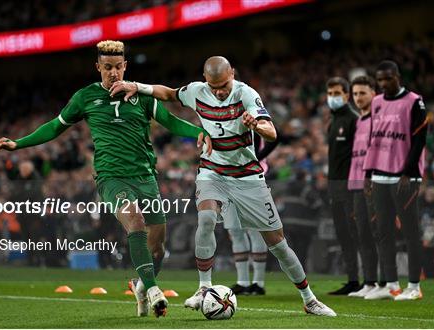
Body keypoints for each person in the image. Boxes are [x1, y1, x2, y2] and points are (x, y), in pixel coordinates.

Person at [0, 40, 213, 317]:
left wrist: (199, 132)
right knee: (135, 221)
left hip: (145, 176)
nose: (113, 73)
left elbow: (170, 122)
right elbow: (54, 127)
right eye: (107, 67)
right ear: (98, 67)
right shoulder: (85, 98)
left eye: (118, 67)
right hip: (111, 178)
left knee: (157, 248)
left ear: (125, 66)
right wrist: (18, 144)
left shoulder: (141, 95)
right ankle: (155, 289)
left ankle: (141, 285)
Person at [110, 56, 336, 317]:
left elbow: (272, 132)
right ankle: (203, 288)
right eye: (214, 86)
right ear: (205, 80)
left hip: (247, 176)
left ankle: (309, 299)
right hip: (212, 171)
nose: (219, 91)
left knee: (277, 243)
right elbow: (169, 93)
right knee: (206, 219)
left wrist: (257, 126)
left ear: (233, 74)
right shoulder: (197, 91)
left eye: (224, 85)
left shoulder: (246, 94)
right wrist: (137, 86)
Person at [363, 60, 429, 301]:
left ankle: (414, 286)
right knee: (383, 232)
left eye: (388, 78)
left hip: (404, 176)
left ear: (398, 77)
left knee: (411, 232)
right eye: (380, 80)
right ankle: (391, 285)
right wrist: (368, 172)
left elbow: (420, 137)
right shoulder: (377, 102)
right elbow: (373, 138)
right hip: (379, 174)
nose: (384, 83)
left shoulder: (414, 101)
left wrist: (408, 171)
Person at [227, 133, 279, 296]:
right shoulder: (224, 119)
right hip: (229, 179)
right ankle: (243, 281)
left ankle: (258, 282)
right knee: (235, 231)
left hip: (252, 179)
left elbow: (275, 137)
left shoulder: (251, 116)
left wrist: (256, 158)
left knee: (255, 231)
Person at [346, 76, 384, 298]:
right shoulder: (358, 122)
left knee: (378, 232)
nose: (358, 98)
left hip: (373, 183)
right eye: (356, 94)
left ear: (373, 93)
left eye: (363, 93)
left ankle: (385, 282)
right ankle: (369, 282)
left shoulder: (378, 119)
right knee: (362, 234)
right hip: (355, 184)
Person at [325, 77, 362, 295]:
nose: (333, 98)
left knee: (358, 233)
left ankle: (372, 280)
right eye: (330, 93)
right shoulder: (333, 122)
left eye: (337, 93)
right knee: (344, 234)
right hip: (335, 187)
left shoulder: (354, 120)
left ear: (347, 95)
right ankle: (353, 280)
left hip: (351, 186)